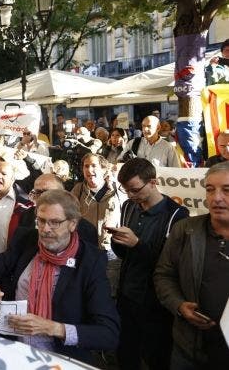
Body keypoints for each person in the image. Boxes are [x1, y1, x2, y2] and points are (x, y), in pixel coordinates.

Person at [0, 190, 120, 364]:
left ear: (72, 224)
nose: (45, 229)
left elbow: (108, 333)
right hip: (17, 352)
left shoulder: (90, 262)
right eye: (41, 221)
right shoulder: (27, 241)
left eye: (54, 223)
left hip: (62, 359)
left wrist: (53, 328)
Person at [112, 158, 189, 370]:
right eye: (126, 190)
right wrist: (117, 240)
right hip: (126, 297)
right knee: (126, 355)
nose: (130, 195)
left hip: (155, 305)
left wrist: (136, 244)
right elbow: (124, 255)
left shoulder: (177, 215)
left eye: (135, 190)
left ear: (153, 182)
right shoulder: (128, 206)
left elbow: (170, 266)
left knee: (157, 358)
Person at [154, 162, 229, 368]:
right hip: (190, 350)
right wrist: (178, 305)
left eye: (227, 190)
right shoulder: (185, 230)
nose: (216, 198)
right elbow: (163, 275)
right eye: (210, 189)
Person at [71, 153, 125, 296]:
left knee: (109, 293)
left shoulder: (117, 189)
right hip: (84, 251)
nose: (89, 170)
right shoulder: (78, 190)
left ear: (103, 169)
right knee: (85, 292)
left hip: (110, 251)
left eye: (94, 166)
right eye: (86, 166)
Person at [14, 173, 98, 247]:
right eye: (37, 192)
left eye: (48, 193)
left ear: (62, 194)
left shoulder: (86, 229)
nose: (42, 197)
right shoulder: (26, 216)